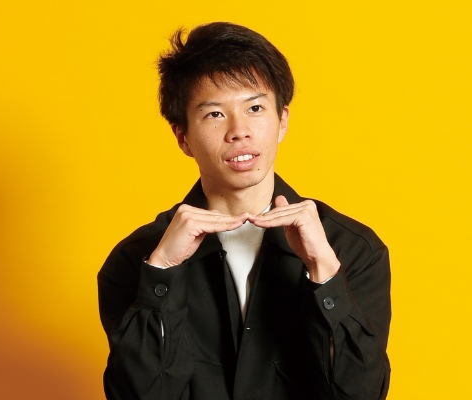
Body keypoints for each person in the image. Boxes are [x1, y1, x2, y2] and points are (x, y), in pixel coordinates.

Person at [98, 22, 391, 400]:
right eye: (214, 114)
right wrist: (163, 273)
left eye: (255, 108)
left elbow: (360, 394)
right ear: (182, 137)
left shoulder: (353, 250)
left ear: (282, 120)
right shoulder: (136, 260)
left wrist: (324, 272)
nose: (240, 131)